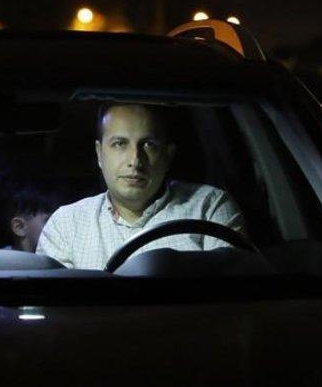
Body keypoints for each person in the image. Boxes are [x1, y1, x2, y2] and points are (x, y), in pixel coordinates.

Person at [36, 103, 246, 269]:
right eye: (119, 144)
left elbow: (232, 299)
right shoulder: (66, 224)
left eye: (149, 145)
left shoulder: (208, 208)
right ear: (100, 154)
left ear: (168, 155)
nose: (135, 160)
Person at [0, 186, 57, 252]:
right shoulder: (0, 261)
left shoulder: (59, 257)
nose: (58, 227)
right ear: (19, 227)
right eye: (48, 220)